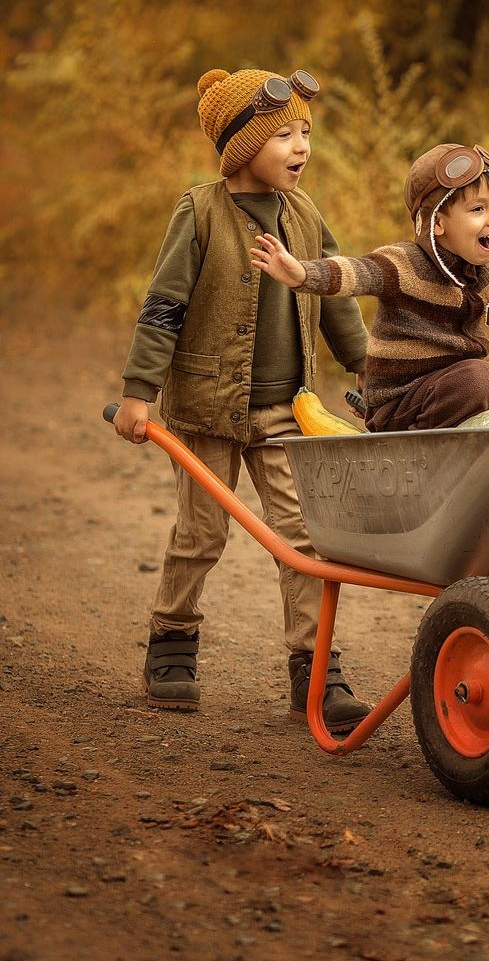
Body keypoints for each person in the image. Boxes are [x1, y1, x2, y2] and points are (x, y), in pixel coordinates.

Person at [112, 67, 371, 734]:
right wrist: (139, 392)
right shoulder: (199, 211)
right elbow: (164, 306)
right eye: (283, 134)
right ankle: (172, 643)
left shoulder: (306, 216)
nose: (300, 146)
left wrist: (373, 372)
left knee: (304, 537)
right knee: (201, 534)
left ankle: (313, 668)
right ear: (239, 144)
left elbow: (336, 304)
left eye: (304, 133)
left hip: (291, 410)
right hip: (207, 410)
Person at [250, 142, 489, 431]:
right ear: (437, 223)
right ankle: (415, 448)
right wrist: (302, 274)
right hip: (402, 402)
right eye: (478, 209)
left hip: (456, 388)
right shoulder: (406, 263)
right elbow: (357, 272)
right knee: (479, 378)